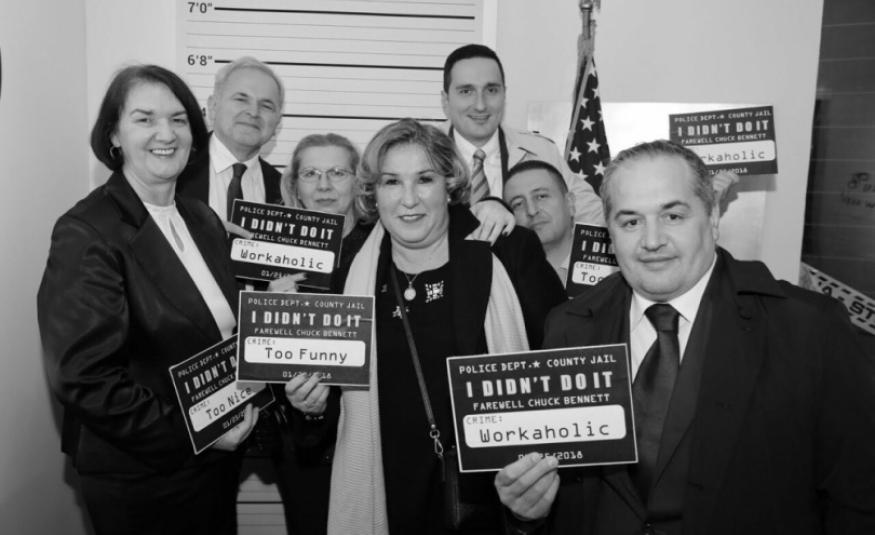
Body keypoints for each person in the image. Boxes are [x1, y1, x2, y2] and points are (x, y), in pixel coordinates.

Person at [495, 140, 875, 534]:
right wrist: (527, 516)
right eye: (630, 222)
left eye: (673, 216)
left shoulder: (808, 328)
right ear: (609, 232)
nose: (652, 240)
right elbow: (564, 495)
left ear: (712, 216)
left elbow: (858, 498)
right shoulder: (568, 327)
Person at [288, 119, 565, 534]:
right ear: (374, 192)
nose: (409, 199)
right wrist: (311, 408)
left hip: (496, 498)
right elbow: (328, 411)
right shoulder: (348, 271)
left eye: (425, 179)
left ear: (449, 184)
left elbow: (560, 367)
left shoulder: (506, 250)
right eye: (391, 182)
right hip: (387, 497)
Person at [37, 65, 258, 535]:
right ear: (114, 135)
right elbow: (85, 378)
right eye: (144, 119)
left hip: (214, 463)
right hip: (141, 477)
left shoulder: (202, 219)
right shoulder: (86, 231)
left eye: (178, 119)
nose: (166, 133)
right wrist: (196, 433)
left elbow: (220, 330)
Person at [440, 44, 603, 225]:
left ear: (504, 95)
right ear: (445, 101)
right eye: (466, 91)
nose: (480, 105)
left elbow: (593, 216)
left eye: (491, 90)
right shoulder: (423, 153)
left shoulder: (542, 152)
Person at [177, 56, 284, 221]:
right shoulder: (176, 169)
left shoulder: (284, 190)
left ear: (277, 121)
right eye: (241, 99)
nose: (253, 112)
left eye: (266, 106)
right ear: (213, 106)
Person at [503, 160, 576, 284]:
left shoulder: (608, 268)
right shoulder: (503, 280)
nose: (531, 211)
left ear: (569, 203)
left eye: (541, 196)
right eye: (518, 204)